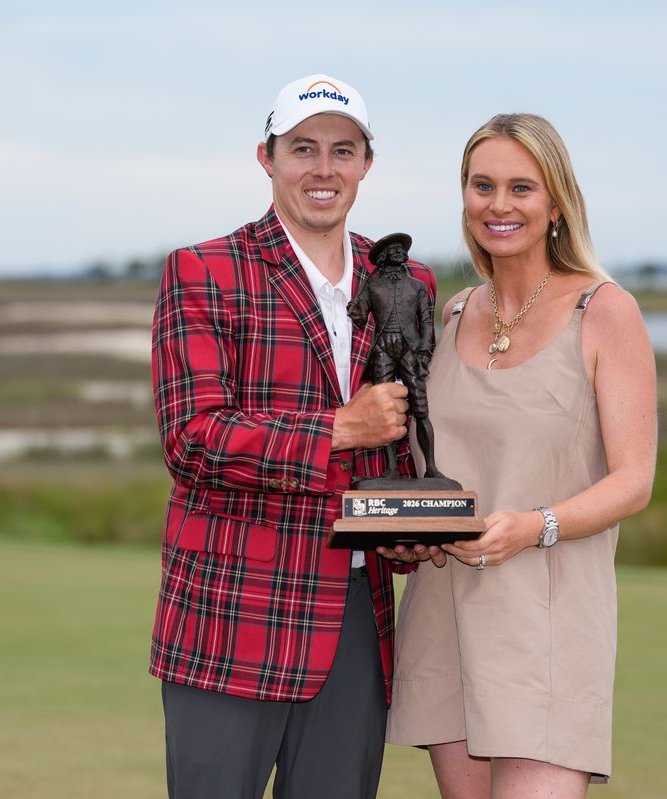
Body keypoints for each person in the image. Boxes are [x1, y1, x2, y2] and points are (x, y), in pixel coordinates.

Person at [150, 73, 437, 799]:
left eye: (343, 151)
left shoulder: (404, 278)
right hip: (232, 616)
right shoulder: (205, 271)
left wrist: (408, 530)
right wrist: (338, 428)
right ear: (267, 157)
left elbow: (404, 442)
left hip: (354, 622)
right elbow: (194, 437)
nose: (323, 168)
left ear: (366, 164)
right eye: (302, 148)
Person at [384, 113, 657, 797]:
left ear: (557, 203)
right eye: (483, 186)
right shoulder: (449, 315)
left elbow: (634, 480)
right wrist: (404, 532)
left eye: (521, 188)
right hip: (446, 613)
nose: (498, 205)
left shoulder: (604, 310)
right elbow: (430, 469)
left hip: (549, 626)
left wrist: (534, 524)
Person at [346, 233, 443, 481]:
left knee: (421, 408)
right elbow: (358, 316)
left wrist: (423, 349)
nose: (399, 252)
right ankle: (391, 468)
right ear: (384, 256)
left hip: (410, 348)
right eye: (394, 249)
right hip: (382, 349)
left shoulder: (418, 286)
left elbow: (426, 322)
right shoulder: (372, 285)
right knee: (386, 407)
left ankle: (431, 467)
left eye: (402, 248)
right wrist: (354, 310)